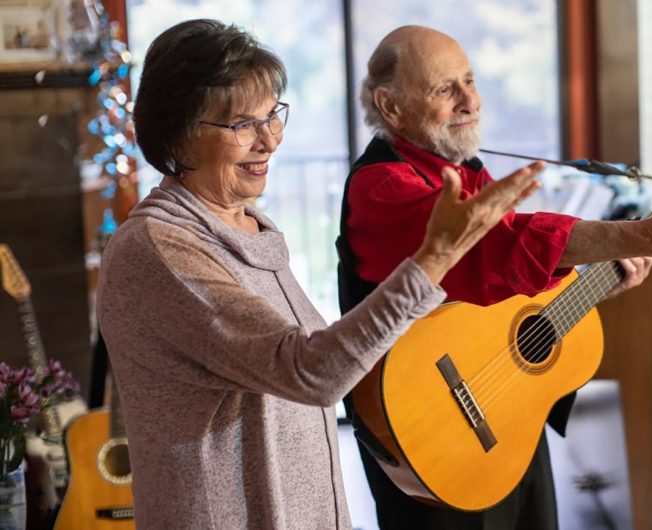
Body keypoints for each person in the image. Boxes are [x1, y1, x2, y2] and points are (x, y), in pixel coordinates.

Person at [96, 19, 543, 530]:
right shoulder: (160, 249)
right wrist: (434, 259)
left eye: (273, 117)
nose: (269, 141)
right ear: (180, 132)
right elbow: (313, 373)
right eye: (242, 125)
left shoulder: (250, 228)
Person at [339, 25, 652, 530]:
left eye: (469, 80)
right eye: (445, 89)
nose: (471, 100)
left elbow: (498, 295)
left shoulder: (469, 170)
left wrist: (603, 277)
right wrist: (645, 237)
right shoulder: (382, 186)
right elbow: (494, 248)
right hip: (432, 440)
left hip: (507, 421)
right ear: (391, 106)